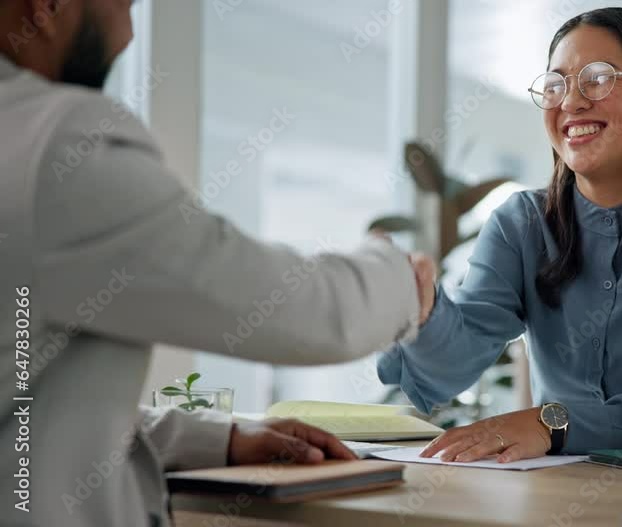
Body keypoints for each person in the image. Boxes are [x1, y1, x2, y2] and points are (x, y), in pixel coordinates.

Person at [0, 1, 437, 526]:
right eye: (124, 2)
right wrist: (397, 273)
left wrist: (213, 437)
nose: (131, 30)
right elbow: (288, 309)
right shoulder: (55, 143)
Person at [378, 7, 622, 464]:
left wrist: (552, 422)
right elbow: (450, 368)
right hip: (561, 492)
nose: (570, 102)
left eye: (597, 78)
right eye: (555, 85)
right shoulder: (522, 223)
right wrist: (425, 312)